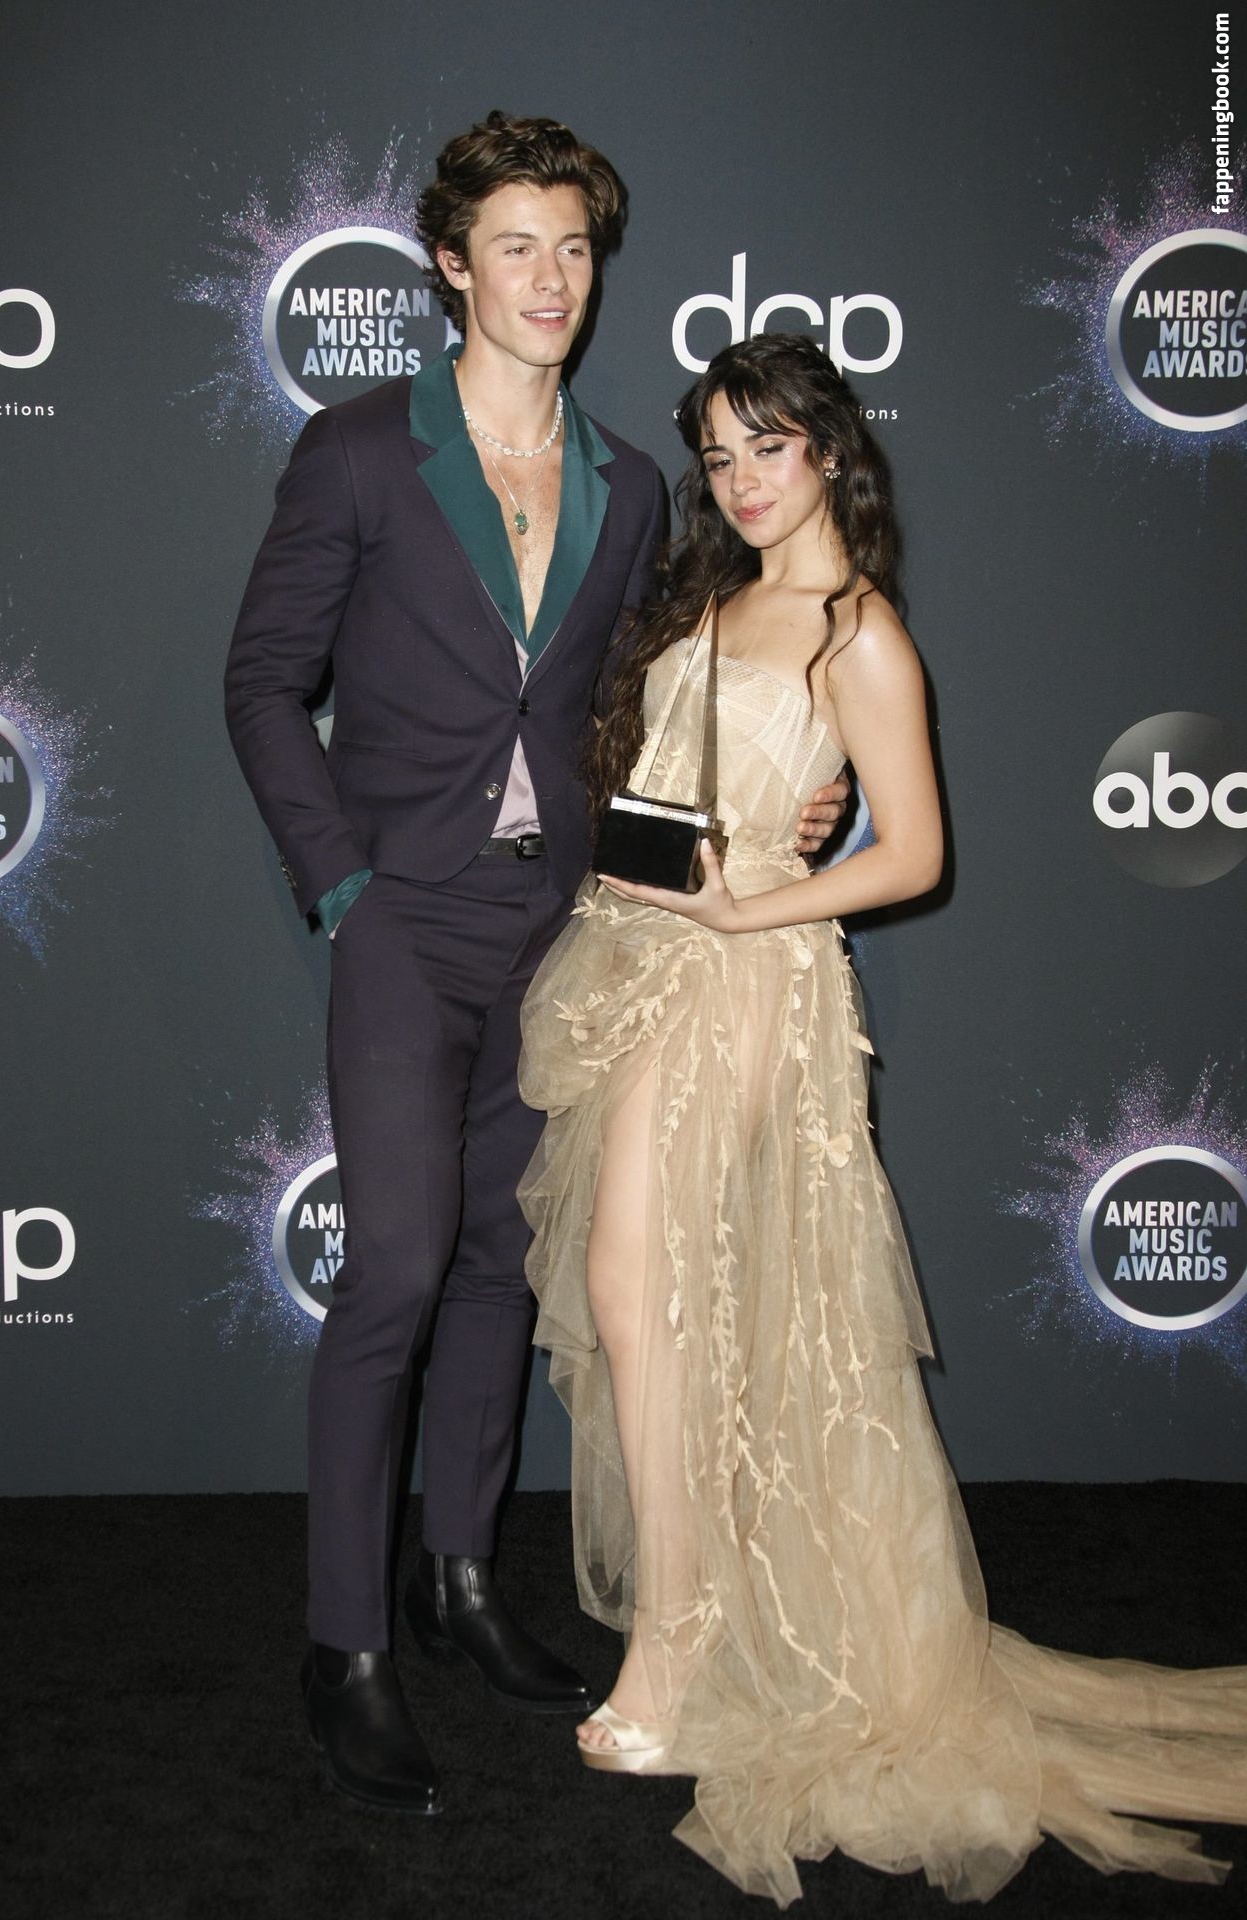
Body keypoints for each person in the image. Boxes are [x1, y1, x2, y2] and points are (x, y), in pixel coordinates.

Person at [518, 333, 1247, 1905]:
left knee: (667, 1296)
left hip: (751, 983)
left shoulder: (863, 634)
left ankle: (679, 1645)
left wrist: (756, 902)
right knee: (642, 1301)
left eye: (766, 447)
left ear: (831, 449)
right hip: (643, 961)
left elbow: (914, 854)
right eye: (719, 455)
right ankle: (696, 1613)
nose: (740, 479)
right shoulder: (716, 600)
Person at [224, 118, 849, 1818]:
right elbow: (263, 682)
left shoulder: (631, 485)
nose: (551, 278)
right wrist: (343, 886)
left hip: (566, 925)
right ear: (452, 264)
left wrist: (796, 796)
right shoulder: (362, 451)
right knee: (399, 1266)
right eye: (515, 245)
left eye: (573, 247)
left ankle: (460, 1578)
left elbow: (631, 711)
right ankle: (346, 1644)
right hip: (402, 918)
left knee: (505, 1262)